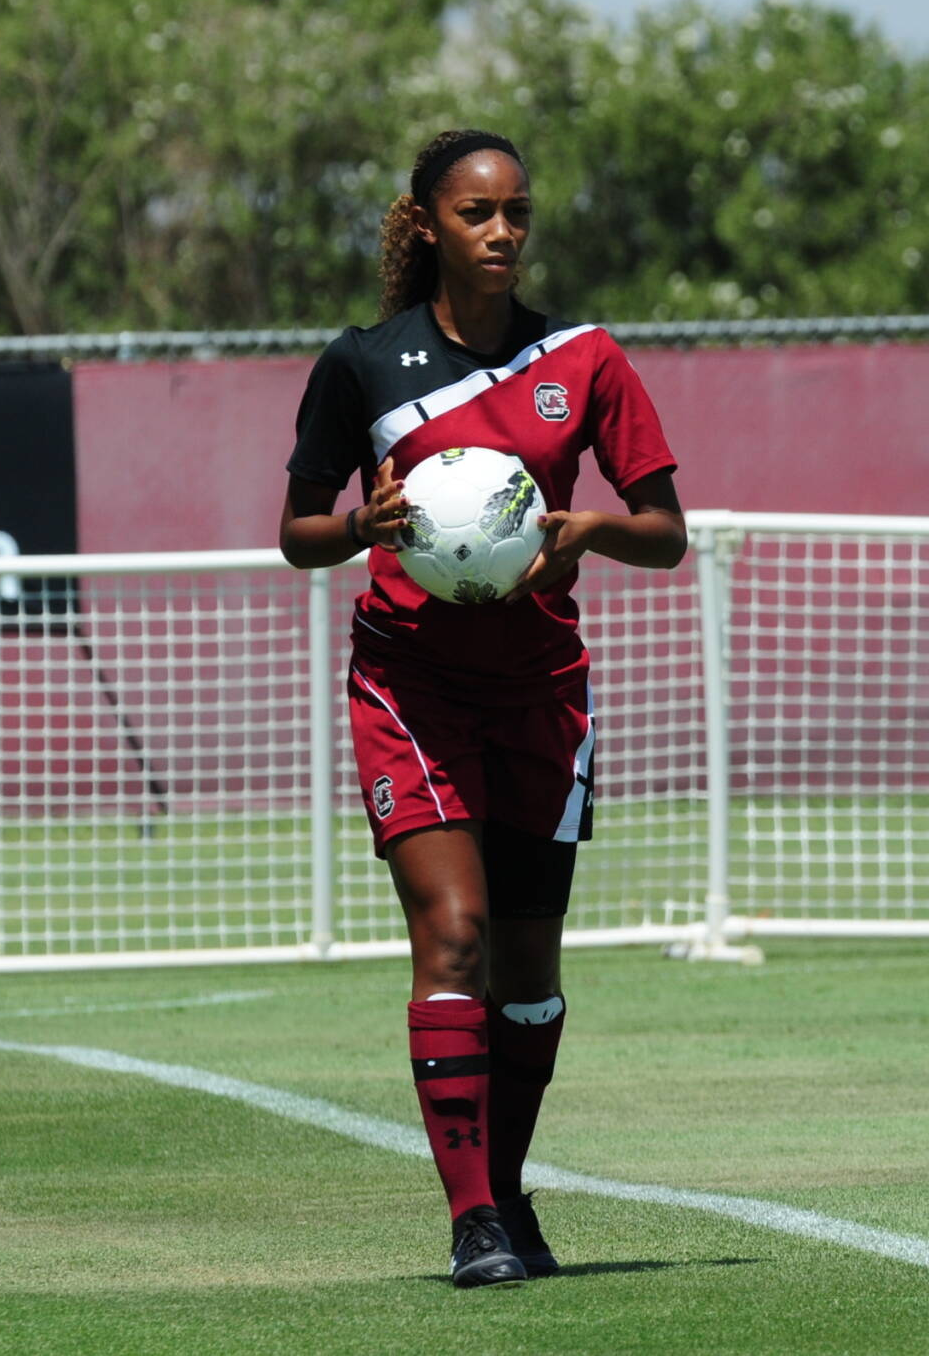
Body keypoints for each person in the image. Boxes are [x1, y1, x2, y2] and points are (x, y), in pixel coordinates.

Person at [278, 128, 685, 1288]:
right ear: (428, 224)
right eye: (475, 213)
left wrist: (589, 529)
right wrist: (359, 526)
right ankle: (472, 1221)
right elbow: (299, 533)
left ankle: (505, 1190)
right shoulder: (361, 365)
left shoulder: (586, 358)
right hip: (410, 686)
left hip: (544, 697)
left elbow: (666, 534)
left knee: (528, 971)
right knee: (452, 934)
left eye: (515, 211)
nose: (501, 231)